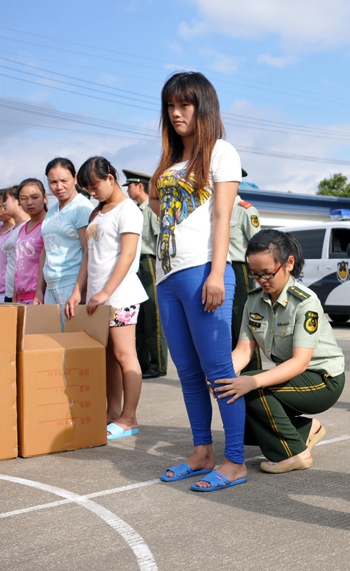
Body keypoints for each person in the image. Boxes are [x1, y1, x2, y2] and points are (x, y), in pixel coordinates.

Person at [149, 71, 247, 492]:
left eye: (184, 105)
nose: (176, 113)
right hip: (167, 276)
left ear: (203, 107)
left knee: (219, 371)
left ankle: (235, 461)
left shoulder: (221, 151)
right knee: (188, 372)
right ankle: (202, 452)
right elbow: (158, 207)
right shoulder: (169, 162)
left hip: (203, 271)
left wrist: (216, 273)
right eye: (170, 106)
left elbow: (223, 216)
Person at [215, 229, 345, 474]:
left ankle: (294, 454)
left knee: (253, 389)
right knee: (239, 415)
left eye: (267, 273)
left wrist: (251, 382)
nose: (261, 280)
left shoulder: (305, 302)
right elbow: (243, 350)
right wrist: (221, 377)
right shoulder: (254, 300)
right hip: (292, 378)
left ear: (289, 264)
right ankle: (307, 429)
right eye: (255, 274)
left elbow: (300, 363)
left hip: (322, 380)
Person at [69, 156, 149, 440]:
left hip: (121, 295)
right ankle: (112, 412)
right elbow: (88, 257)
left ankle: (130, 417)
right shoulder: (97, 212)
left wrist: (105, 292)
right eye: (87, 189)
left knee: (125, 355)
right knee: (108, 357)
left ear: (110, 179)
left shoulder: (128, 210)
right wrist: (79, 290)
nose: (92, 193)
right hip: (98, 298)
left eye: (95, 186)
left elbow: (127, 256)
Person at [123, 169, 169, 379]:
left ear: (140, 186)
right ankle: (142, 363)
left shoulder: (151, 210)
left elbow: (160, 240)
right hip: (136, 263)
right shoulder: (136, 210)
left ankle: (157, 364)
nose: (128, 190)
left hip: (149, 262)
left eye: (130, 186)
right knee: (140, 315)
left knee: (153, 315)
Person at [36, 157, 93, 312]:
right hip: (50, 287)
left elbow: (88, 251)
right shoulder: (52, 211)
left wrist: (78, 290)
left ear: (75, 178)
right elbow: (45, 252)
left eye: (64, 180)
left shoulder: (82, 208)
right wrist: (39, 290)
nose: (59, 186)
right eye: (53, 182)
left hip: (71, 284)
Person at [227, 180, 262, 373]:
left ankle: (252, 371)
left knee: (242, 318)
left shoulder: (245, 210)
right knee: (227, 321)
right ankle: (232, 369)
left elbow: (257, 245)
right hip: (219, 268)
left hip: (239, 268)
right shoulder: (215, 210)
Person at [14, 179, 47, 304]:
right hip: (21, 296)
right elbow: (18, 265)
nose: (29, 202)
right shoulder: (22, 228)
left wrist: (39, 292)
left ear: (44, 198)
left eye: (35, 197)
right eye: (23, 199)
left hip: (39, 296)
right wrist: (14, 296)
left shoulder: (48, 225)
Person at [1, 186, 29, 303]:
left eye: (6, 200)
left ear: (18, 200)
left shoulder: (28, 226)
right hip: (10, 290)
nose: (3, 204)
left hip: (22, 292)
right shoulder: (14, 228)